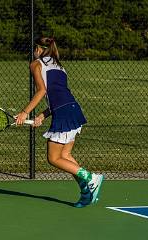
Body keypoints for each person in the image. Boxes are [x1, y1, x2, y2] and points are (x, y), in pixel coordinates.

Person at [15, 37, 104, 207]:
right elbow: (58, 96)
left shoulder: (36, 64)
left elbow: (42, 91)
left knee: (53, 158)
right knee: (65, 156)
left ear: (38, 49)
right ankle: (87, 191)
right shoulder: (60, 67)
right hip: (72, 109)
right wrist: (42, 115)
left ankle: (91, 178)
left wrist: (24, 113)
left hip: (64, 113)